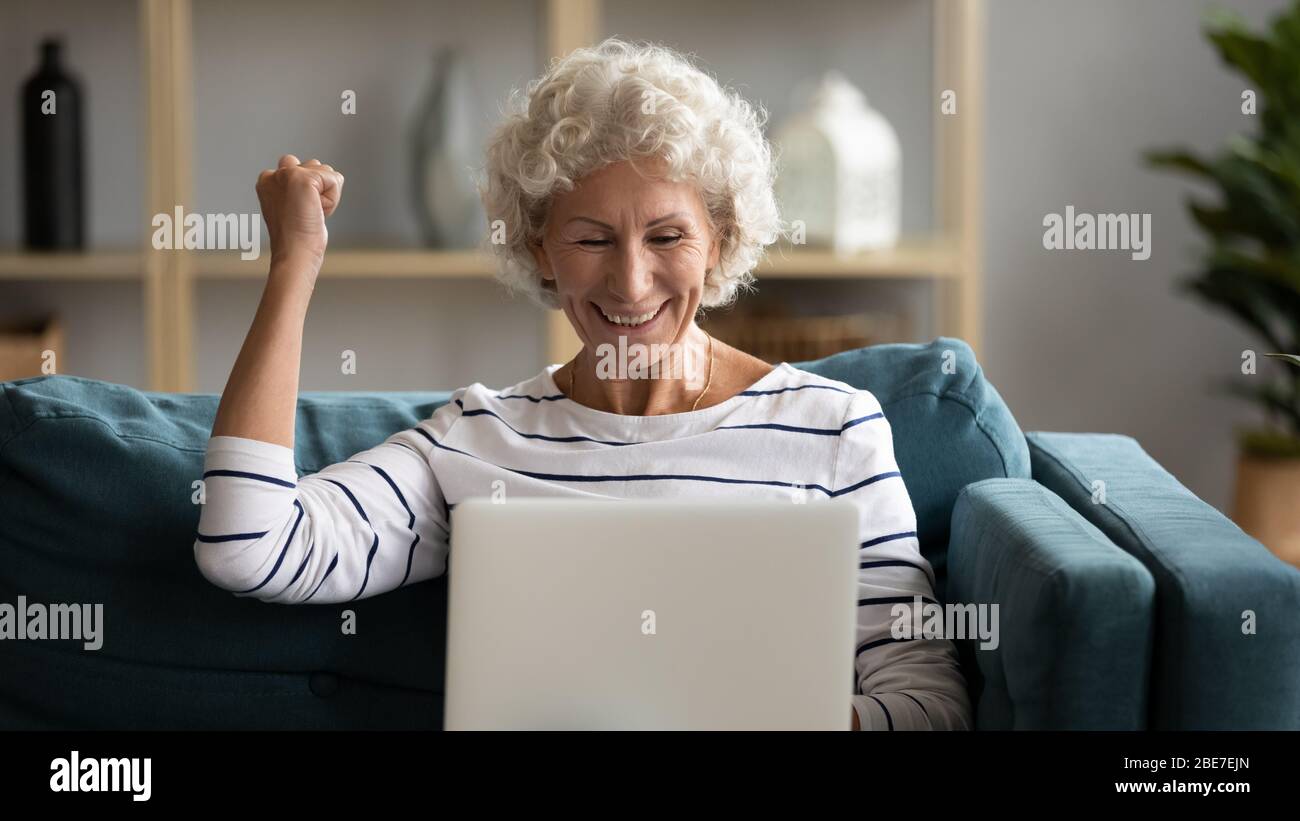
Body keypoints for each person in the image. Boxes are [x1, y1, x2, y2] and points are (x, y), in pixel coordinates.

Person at [194, 38, 971, 731]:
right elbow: (247, 544)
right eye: (591, 238)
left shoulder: (833, 429)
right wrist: (296, 264)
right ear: (540, 251)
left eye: (667, 236)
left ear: (719, 242)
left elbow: (930, 706)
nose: (630, 283)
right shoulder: (476, 441)